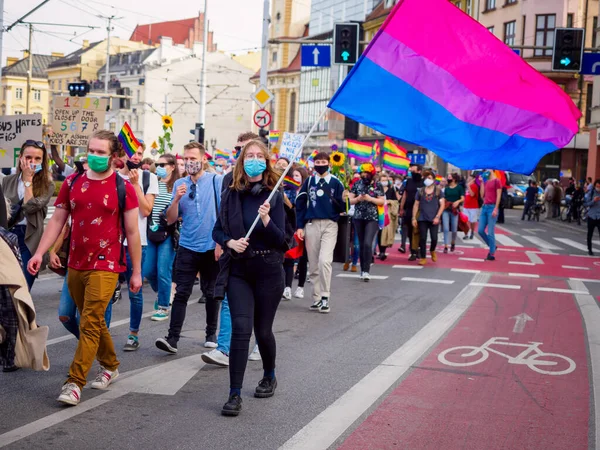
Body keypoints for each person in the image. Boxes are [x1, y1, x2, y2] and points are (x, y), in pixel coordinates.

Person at [28, 130, 142, 406]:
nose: (94, 156)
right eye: (91, 150)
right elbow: (57, 221)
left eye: (101, 152)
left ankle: (74, 382)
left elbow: (132, 232)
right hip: (75, 264)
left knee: (90, 321)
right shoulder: (72, 181)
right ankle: (111, 364)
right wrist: (41, 252)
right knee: (84, 319)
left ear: (114, 157)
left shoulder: (123, 187)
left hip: (107, 265)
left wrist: (136, 271)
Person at [212, 139, 288, 417]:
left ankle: (269, 374)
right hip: (239, 270)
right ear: (242, 160)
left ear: (266, 161)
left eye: (259, 155)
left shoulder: (274, 195)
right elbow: (217, 230)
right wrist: (230, 243)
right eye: (249, 155)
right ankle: (234, 394)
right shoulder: (231, 192)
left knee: (263, 331)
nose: (254, 159)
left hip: (268, 269)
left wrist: (267, 220)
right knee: (241, 330)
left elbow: (283, 241)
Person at [201, 132, 262, 368]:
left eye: (248, 151)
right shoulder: (228, 179)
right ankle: (224, 349)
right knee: (228, 298)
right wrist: (222, 243)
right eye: (240, 150)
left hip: (260, 255)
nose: (243, 156)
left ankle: (259, 340)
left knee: (257, 302)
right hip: (232, 251)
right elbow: (222, 217)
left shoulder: (269, 182)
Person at [155, 142, 223, 354]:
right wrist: (176, 199)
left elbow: (224, 214)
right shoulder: (179, 184)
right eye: (186, 159)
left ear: (203, 159)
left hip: (211, 245)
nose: (189, 162)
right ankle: (172, 338)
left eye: (193, 158)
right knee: (182, 292)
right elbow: (171, 218)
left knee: (211, 292)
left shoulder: (216, 181)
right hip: (187, 245)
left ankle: (211, 334)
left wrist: (221, 243)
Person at [117, 145, 159, 351]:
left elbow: (146, 209)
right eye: (131, 151)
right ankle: (101, 335)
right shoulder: (112, 176)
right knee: (107, 293)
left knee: (135, 291)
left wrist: (135, 185)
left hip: (136, 243)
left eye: (140, 153)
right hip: (111, 243)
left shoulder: (148, 178)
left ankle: (133, 334)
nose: (135, 156)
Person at [296, 152, 346, 312]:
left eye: (323, 161)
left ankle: (325, 296)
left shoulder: (336, 182)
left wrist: (346, 200)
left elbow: (343, 206)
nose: (320, 164)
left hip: (330, 225)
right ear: (313, 164)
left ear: (329, 164)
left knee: (325, 260)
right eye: (318, 162)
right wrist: (299, 226)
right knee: (313, 264)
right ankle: (316, 298)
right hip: (311, 224)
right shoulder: (310, 181)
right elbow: (301, 204)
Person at [3, 140, 55, 290]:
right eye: (28, 158)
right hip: (8, 236)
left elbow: (31, 207)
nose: (32, 162)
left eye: (37, 159)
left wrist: (28, 181)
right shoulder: (8, 181)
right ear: (20, 158)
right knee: (7, 288)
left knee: (23, 288)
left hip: (30, 238)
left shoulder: (47, 184)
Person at [144, 153, 180, 321]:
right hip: (150, 232)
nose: (159, 167)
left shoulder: (177, 186)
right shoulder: (153, 184)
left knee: (163, 270)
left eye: (163, 164)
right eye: (157, 164)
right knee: (149, 270)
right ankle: (164, 292)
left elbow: (182, 211)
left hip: (168, 233)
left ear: (172, 166)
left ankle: (164, 307)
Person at [349, 163, 385, 281]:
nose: (364, 175)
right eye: (362, 173)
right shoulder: (357, 184)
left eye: (366, 173)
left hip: (372, 218)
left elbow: (381, 201)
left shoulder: (377, 185)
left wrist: (370, 199)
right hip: (359, 217)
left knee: (367, 243)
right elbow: (350, 200)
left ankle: (366, 270)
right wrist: (358, 199)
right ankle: (362, 270)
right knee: (360, 244)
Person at [282, 166, 309, 300]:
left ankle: (300, 287)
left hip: (304, 226)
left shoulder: (307, 191)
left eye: (298, 175)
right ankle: (287, 287)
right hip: (291, 227)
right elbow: (289, 209)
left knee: (303, 258)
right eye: (294, 175)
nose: (295, 178)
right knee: (290, 256)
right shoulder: (288, 191)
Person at [412, 171, 445, 266]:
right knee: (422, 238)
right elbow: (416, 204)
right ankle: (423, 257)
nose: (428, 180)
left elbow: (442, 205)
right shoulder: (420, 191)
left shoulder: (438, 191)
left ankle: (432, 250)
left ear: (434, 180)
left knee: (434, 238)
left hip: (434, 218)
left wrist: (437, 216)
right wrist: (414, 218)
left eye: (430, 178)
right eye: (426, 178)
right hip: (422, 217)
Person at [399, 165, 423, 260]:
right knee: (409, 230)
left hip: (420, 210)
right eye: (411, 171)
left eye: (414, 171)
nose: (412, 173)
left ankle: (418, 249)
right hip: (408, 209)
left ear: (419, 171)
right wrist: (401, 208)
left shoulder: (423, 182)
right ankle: (413, 251)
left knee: (419, 231)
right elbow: (405, 195)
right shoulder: (408, 181)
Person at [478, 169, 502, 261]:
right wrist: (482, 183)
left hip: (492, 207)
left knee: (490, 232)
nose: (486, 171)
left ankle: (491, 253)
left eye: (487, 169)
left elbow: (498, 195)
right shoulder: (486, 181)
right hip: (485, 207)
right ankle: (492, 246)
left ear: (492, 170)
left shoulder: (497, 181)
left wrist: (496, 208)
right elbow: (482, 195)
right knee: (480, 230)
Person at [377, 172, 400, 260]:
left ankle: (383, 251)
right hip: (378, 212)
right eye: (382, 180)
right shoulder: (377, 189)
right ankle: (379, 250)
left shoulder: (391, 190)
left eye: (385, 180)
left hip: (388, 213)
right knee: (379, 233)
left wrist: (390, 201)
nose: (384, 182)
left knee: (385, 232)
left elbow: (396, 201)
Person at [441, 173, 464, 253]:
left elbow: (462, 198)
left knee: (454, 229)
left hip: (455, 210)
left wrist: (458, 201)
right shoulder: (446, 189)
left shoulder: (459, 188)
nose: (448, 179)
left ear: (454, 179)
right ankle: (446, 246)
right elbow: (443, 198)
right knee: (446, 228)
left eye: (449, 177)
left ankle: (453, 242)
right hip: (446, 209)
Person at [585, 179, 600, 256]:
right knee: (590, 234)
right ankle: (589, 249)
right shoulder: (591, 193)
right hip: (592, 216)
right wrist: (593, 200)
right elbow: (587, 204)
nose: (598, 188)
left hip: (599, 217)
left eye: (599, 186)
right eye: (597, 186)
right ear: (594, 186)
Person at [463, 174, 479, 238]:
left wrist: (469, 186)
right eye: (468, 178)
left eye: (470, 178)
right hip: (466, 206)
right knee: (466, 220)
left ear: (473, 180)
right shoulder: (467, 187)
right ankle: (466, 233)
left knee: (472, 221)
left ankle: (472, 231)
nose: (468, 179)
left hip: (473, 207)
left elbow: (472, 194)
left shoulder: (474, 186)